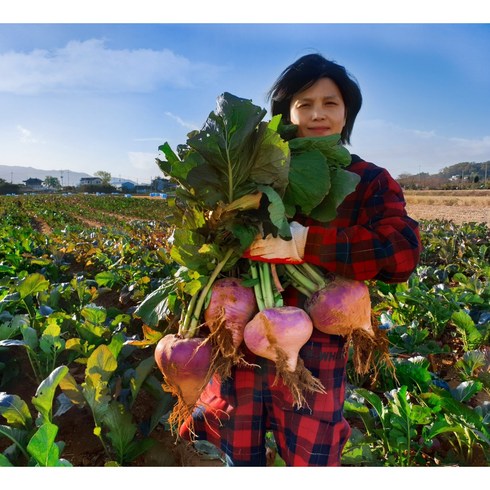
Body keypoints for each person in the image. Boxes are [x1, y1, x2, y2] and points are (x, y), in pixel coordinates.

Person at [179, 53, 422, 466]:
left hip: (320, 350)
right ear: (287, 113)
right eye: (304, 104)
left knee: (313, 459)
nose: (317, 114)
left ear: (347, 114)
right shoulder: (254, 174)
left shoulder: (369, 180)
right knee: (240, 457)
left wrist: (308, 243)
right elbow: (213, 247)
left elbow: (401, 253)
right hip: (243, 346)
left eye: (330, 103)